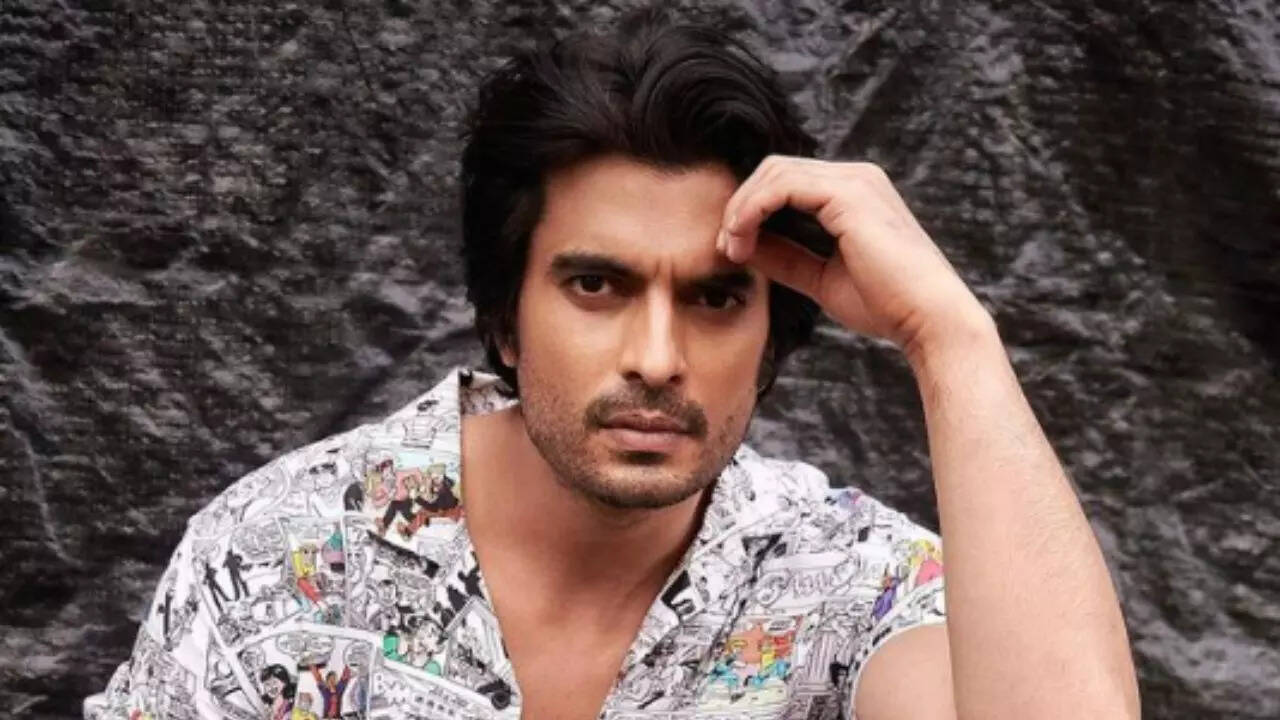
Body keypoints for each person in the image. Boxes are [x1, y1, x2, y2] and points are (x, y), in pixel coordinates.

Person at [85, 7, 1140, 720]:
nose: (657, 358)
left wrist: (948, 339)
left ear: (771, 335)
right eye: (596, 285)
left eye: (715, 297)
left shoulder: (841, 583)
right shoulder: (279, 559)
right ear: (504, 317)